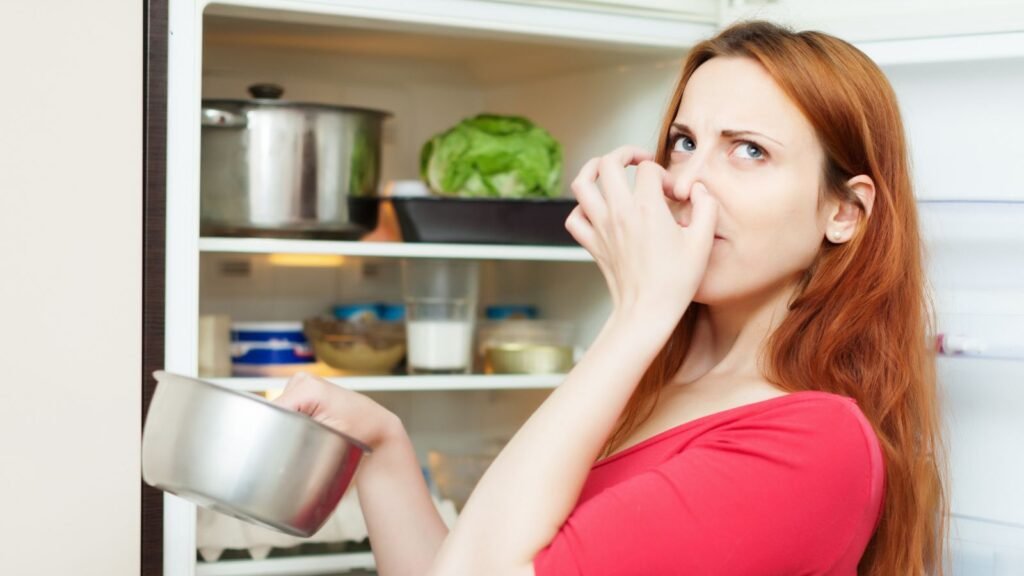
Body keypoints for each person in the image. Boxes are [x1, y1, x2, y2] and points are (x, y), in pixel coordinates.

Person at [275, 20, 946, 575]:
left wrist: (640, 313)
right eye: (684, 143)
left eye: (748, 151)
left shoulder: (811, 445)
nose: (687, 183)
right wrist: (381, 448)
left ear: (845, 213)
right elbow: (481, 559)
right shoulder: (651, 386)